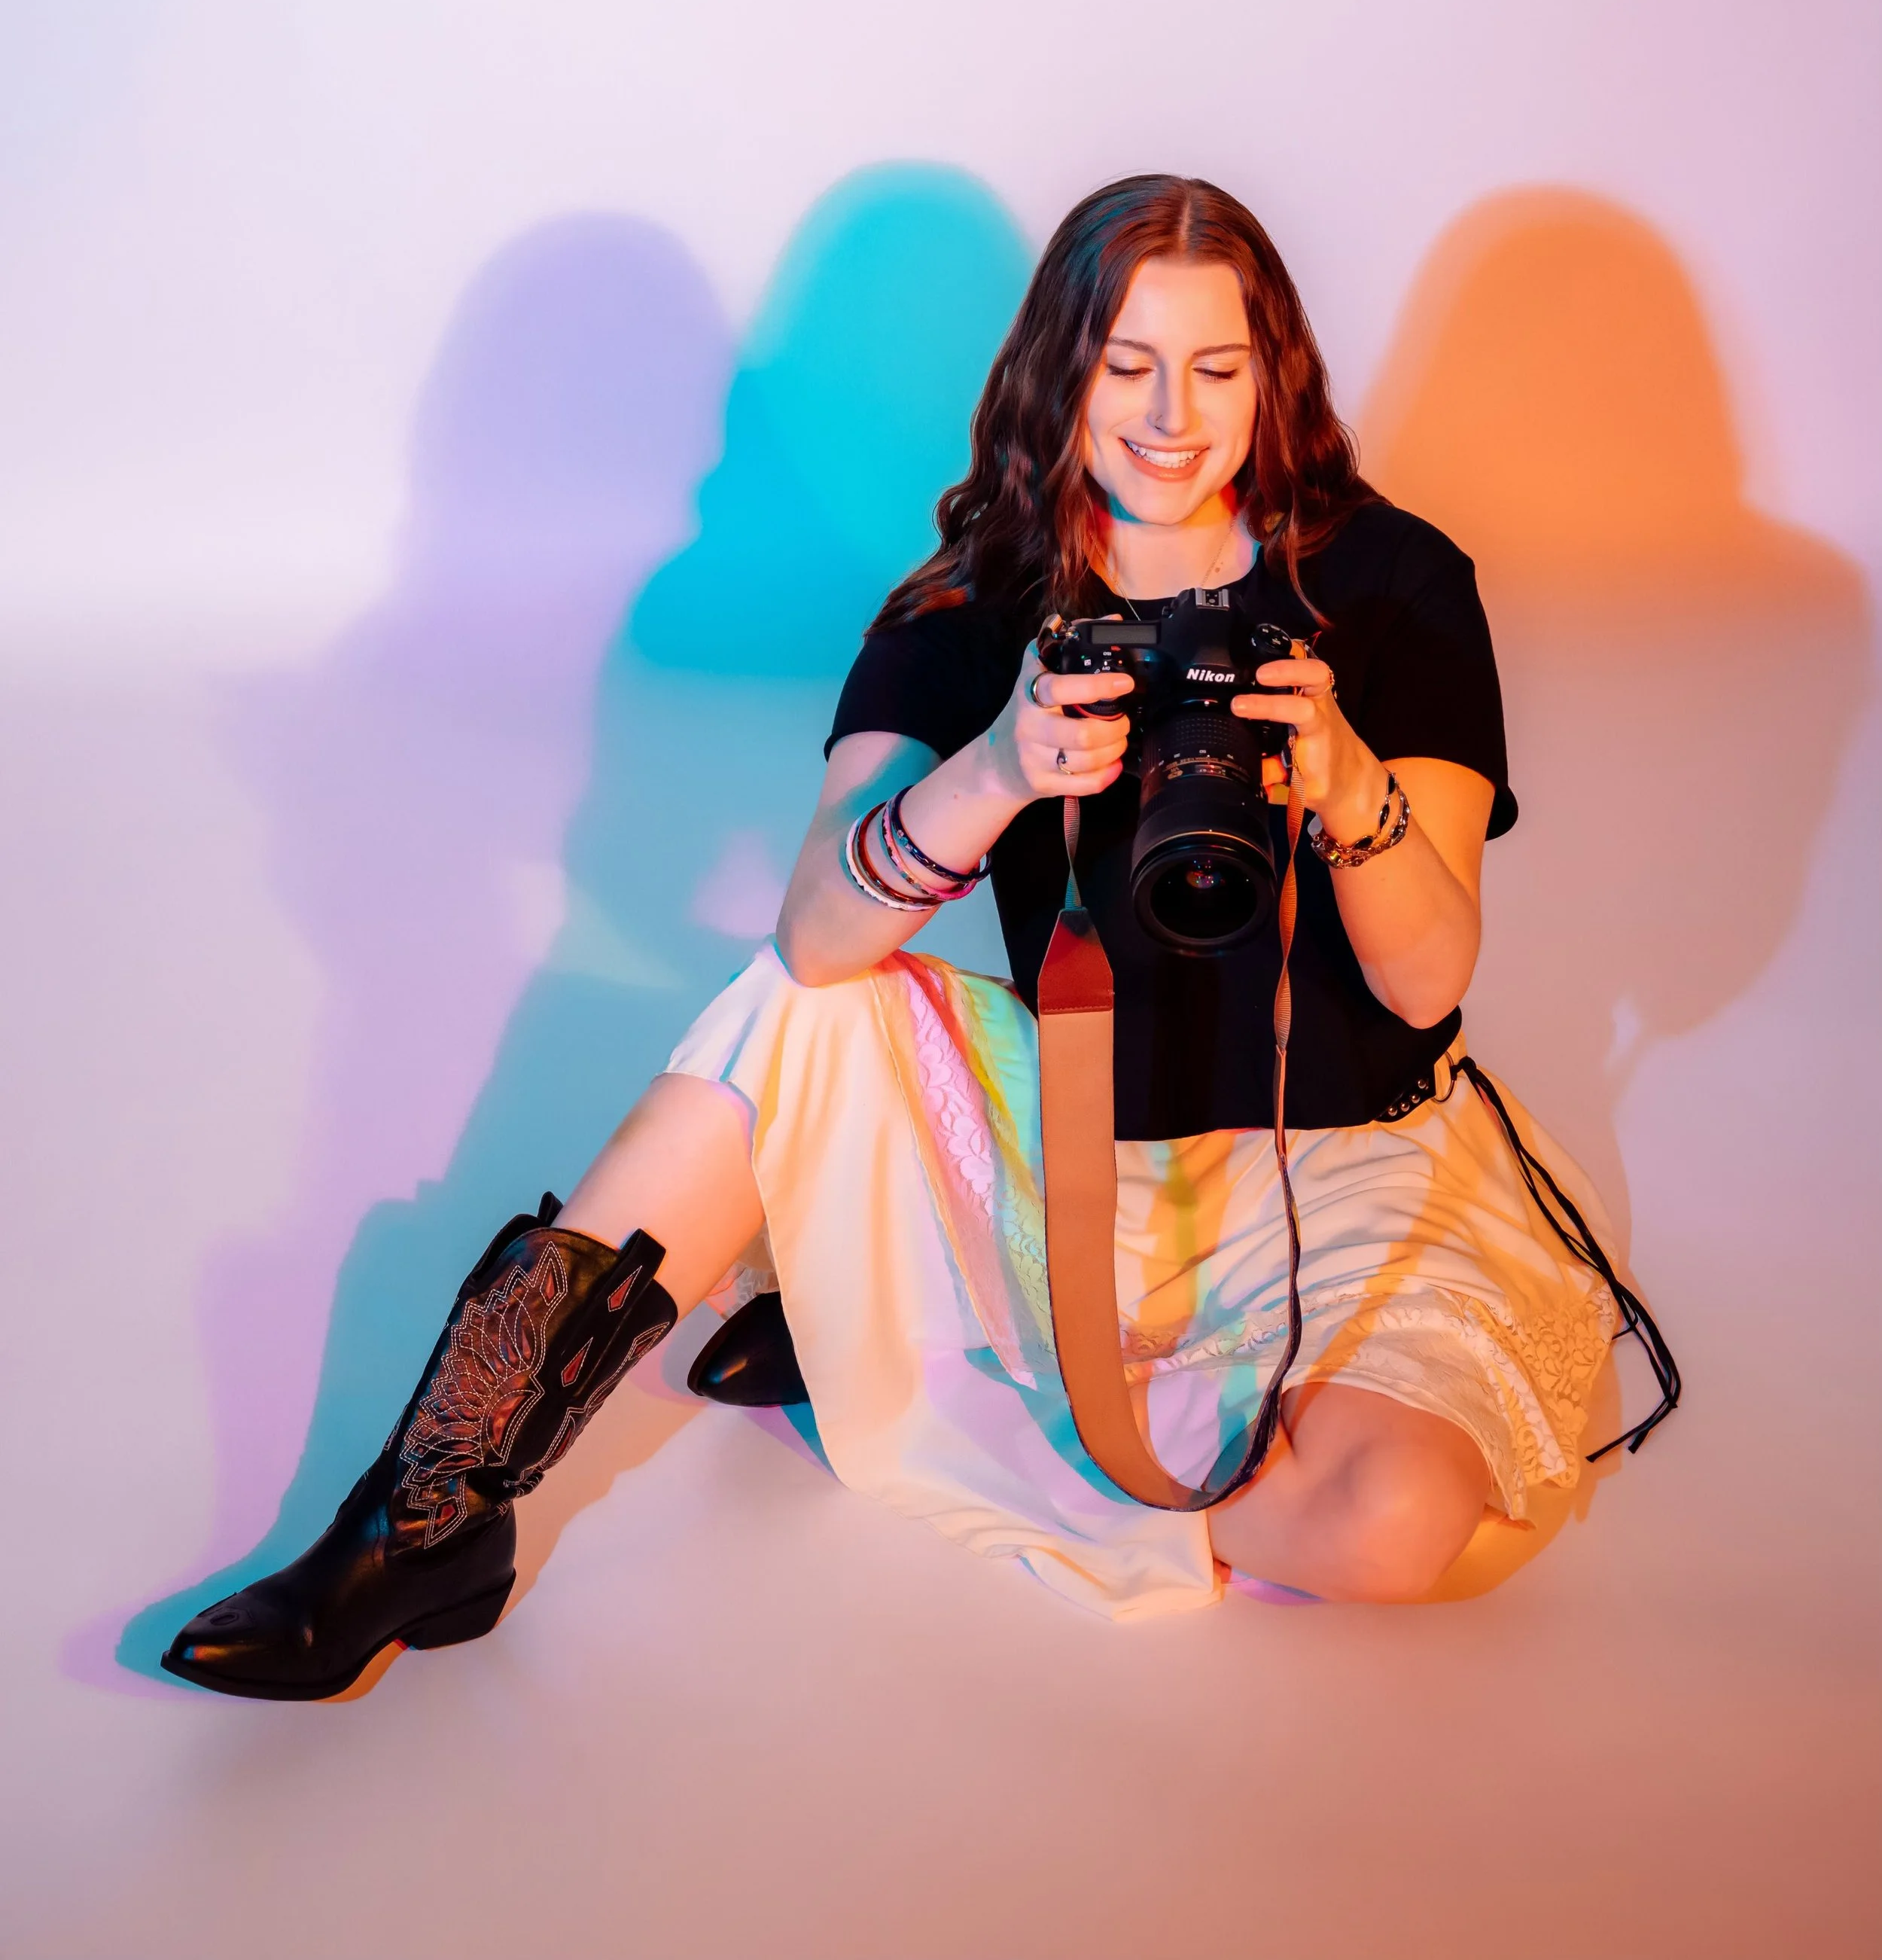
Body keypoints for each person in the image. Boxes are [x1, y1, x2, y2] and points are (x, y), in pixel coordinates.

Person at [166, 175, 1665, 1696]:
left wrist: (1346, 782)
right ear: (1057, 369)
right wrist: (997, 768)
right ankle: (431, 1508)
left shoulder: (1391, 585)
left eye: (1216, 368)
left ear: (1273, 377)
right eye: (1126, 365)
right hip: (1065, 1143)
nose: (1171, 417)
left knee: (1392, 1521)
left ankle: (900, 1343)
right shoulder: (981, 602)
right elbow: (817, 934)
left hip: (1348, 1172)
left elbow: (1426, 977)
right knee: (792, 1005)